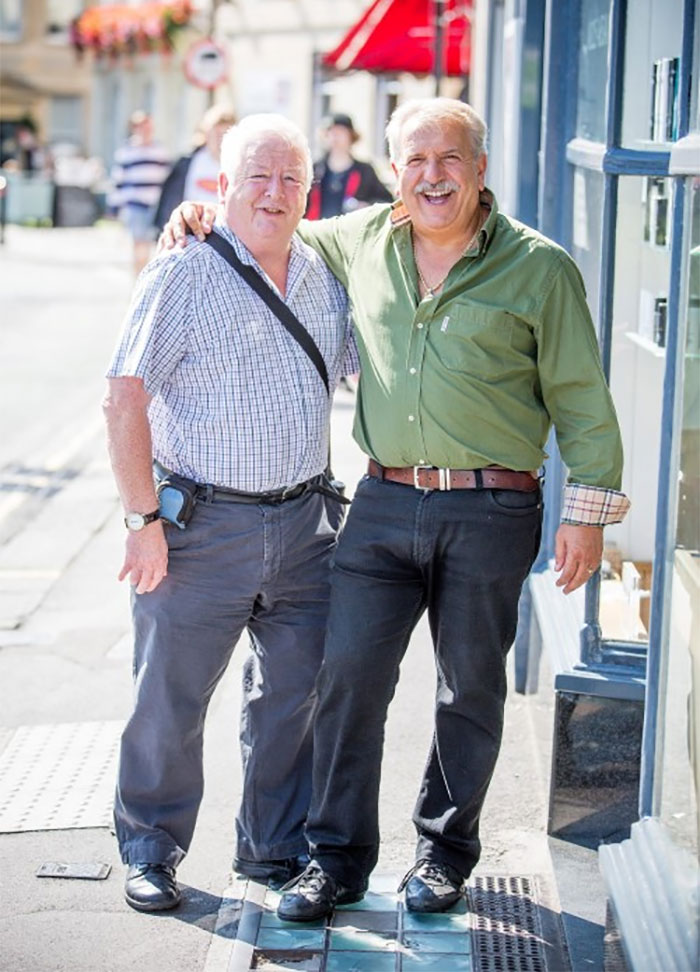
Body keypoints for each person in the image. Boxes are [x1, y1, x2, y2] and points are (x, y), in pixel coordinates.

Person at [161, 96, 631, 921]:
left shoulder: (539, 267)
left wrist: (586, 512)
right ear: (393, 171)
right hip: (380, 502)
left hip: (492, 509)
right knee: (345, 680)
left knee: (468, 689)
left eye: (448, 158)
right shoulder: (361, 239)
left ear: (480, 169)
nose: (431, 176)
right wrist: (205, 208)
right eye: (413, 160)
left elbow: (582, 400)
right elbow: (274, 220)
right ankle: (334, 859)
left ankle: (444, 855)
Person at [103, 113, 359, 914]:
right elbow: (124, 396)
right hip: (198, 530)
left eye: (290, 179)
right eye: (257, 175)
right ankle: (150, 848)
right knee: (170, 702)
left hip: (306, 528)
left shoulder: (325, 272)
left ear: (310, 194)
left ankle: (271, 848)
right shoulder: (183, 270)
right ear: (223, 185)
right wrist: (143, 519)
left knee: (293, 697)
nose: (274, 193)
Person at [153, 103, 237, 232]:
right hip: (190, 231)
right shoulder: (187, 163)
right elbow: (170, 201)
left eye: (224, 134)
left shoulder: (239, 167)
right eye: (215, 133)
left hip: (226, 232)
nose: (219, 139)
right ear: (206, 133)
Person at [109, 110, 170, 275]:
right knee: (139, 245)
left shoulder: (159, 151)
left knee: (156, 245)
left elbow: (167, 178)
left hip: (156, 205)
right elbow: (118, 181)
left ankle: (150, 276)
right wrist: (114, 207)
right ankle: (139, 278)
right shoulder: (126, 151)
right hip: (135, 204)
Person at [305, 112, 393, 219]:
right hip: (316, 231)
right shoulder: (315, 169)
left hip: (350, 231)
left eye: (340, 132)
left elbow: (386, 201)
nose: (334, 137)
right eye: (330, 132)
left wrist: (367, 206)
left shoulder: (364, 171)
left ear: (351, 136)